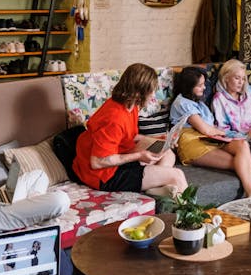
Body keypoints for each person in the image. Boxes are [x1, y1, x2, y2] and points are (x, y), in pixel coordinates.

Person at [73, 63, 187, 194]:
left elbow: (130, 137)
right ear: (139, 92)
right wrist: (139, 156)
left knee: (167, 154)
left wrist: (160, 139)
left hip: (119, 156)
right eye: (151, 90)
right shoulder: (114, 118)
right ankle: (193, 212)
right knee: (177, 175)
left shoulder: (129, 105)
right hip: (103, 175)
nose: (153, 95)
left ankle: (152, 189)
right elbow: (97, 162)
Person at [169, 66, 251, 199]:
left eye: (203, 84)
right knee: (241, 163)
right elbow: (205, 129)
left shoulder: (198, 103)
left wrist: (234, 135)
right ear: (189, 86)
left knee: (242, 145)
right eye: (200, 85)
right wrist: (225, 134)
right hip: (193, 144)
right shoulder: (181, 103)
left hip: (210, 139)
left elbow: (211, 129)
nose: (204, 88)